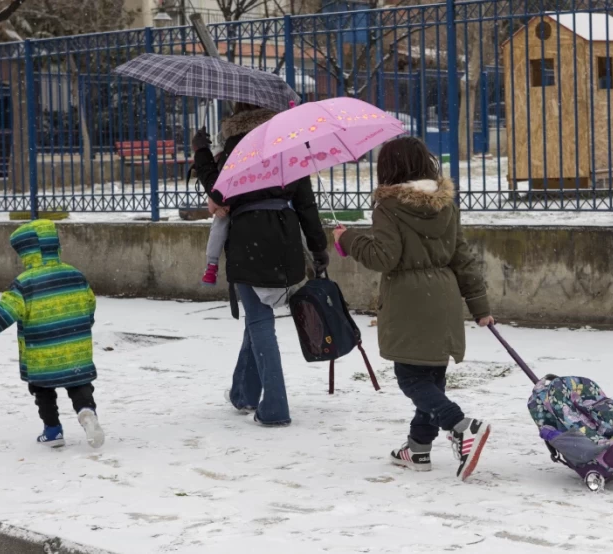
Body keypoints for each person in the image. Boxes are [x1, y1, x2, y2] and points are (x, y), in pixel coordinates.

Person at [333, 136, 493, 482]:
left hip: (409, 300)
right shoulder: (445, 205)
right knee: (432, 377)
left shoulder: (388, 207)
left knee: (410, 377)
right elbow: (462, 257)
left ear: (388, 169)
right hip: (445, 298)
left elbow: (383, 257)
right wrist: (479, 305)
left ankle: (461, 425)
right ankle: (417, 447)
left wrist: (346, 238)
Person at [191, 106, 329, 427]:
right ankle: (244, 393)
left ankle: (276, 406)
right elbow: (306, 203)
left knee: (259, 320)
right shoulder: (286, 147)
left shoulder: (237, 150)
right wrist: (318, 246)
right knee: (257, 317)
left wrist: (201, 152)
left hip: (248, 238)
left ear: (234, 120)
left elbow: (218, 192)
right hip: (285, 239)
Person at [0, 219, 104, 449]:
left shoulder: (24, 284)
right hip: (76, 349)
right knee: (79, 383)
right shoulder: (75, 275)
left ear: (26, 252)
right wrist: (81, 327)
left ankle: (52, 431)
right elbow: (89, 305)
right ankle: (86, 412)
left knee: (42, 389)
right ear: (54, 246)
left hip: (41, 354)